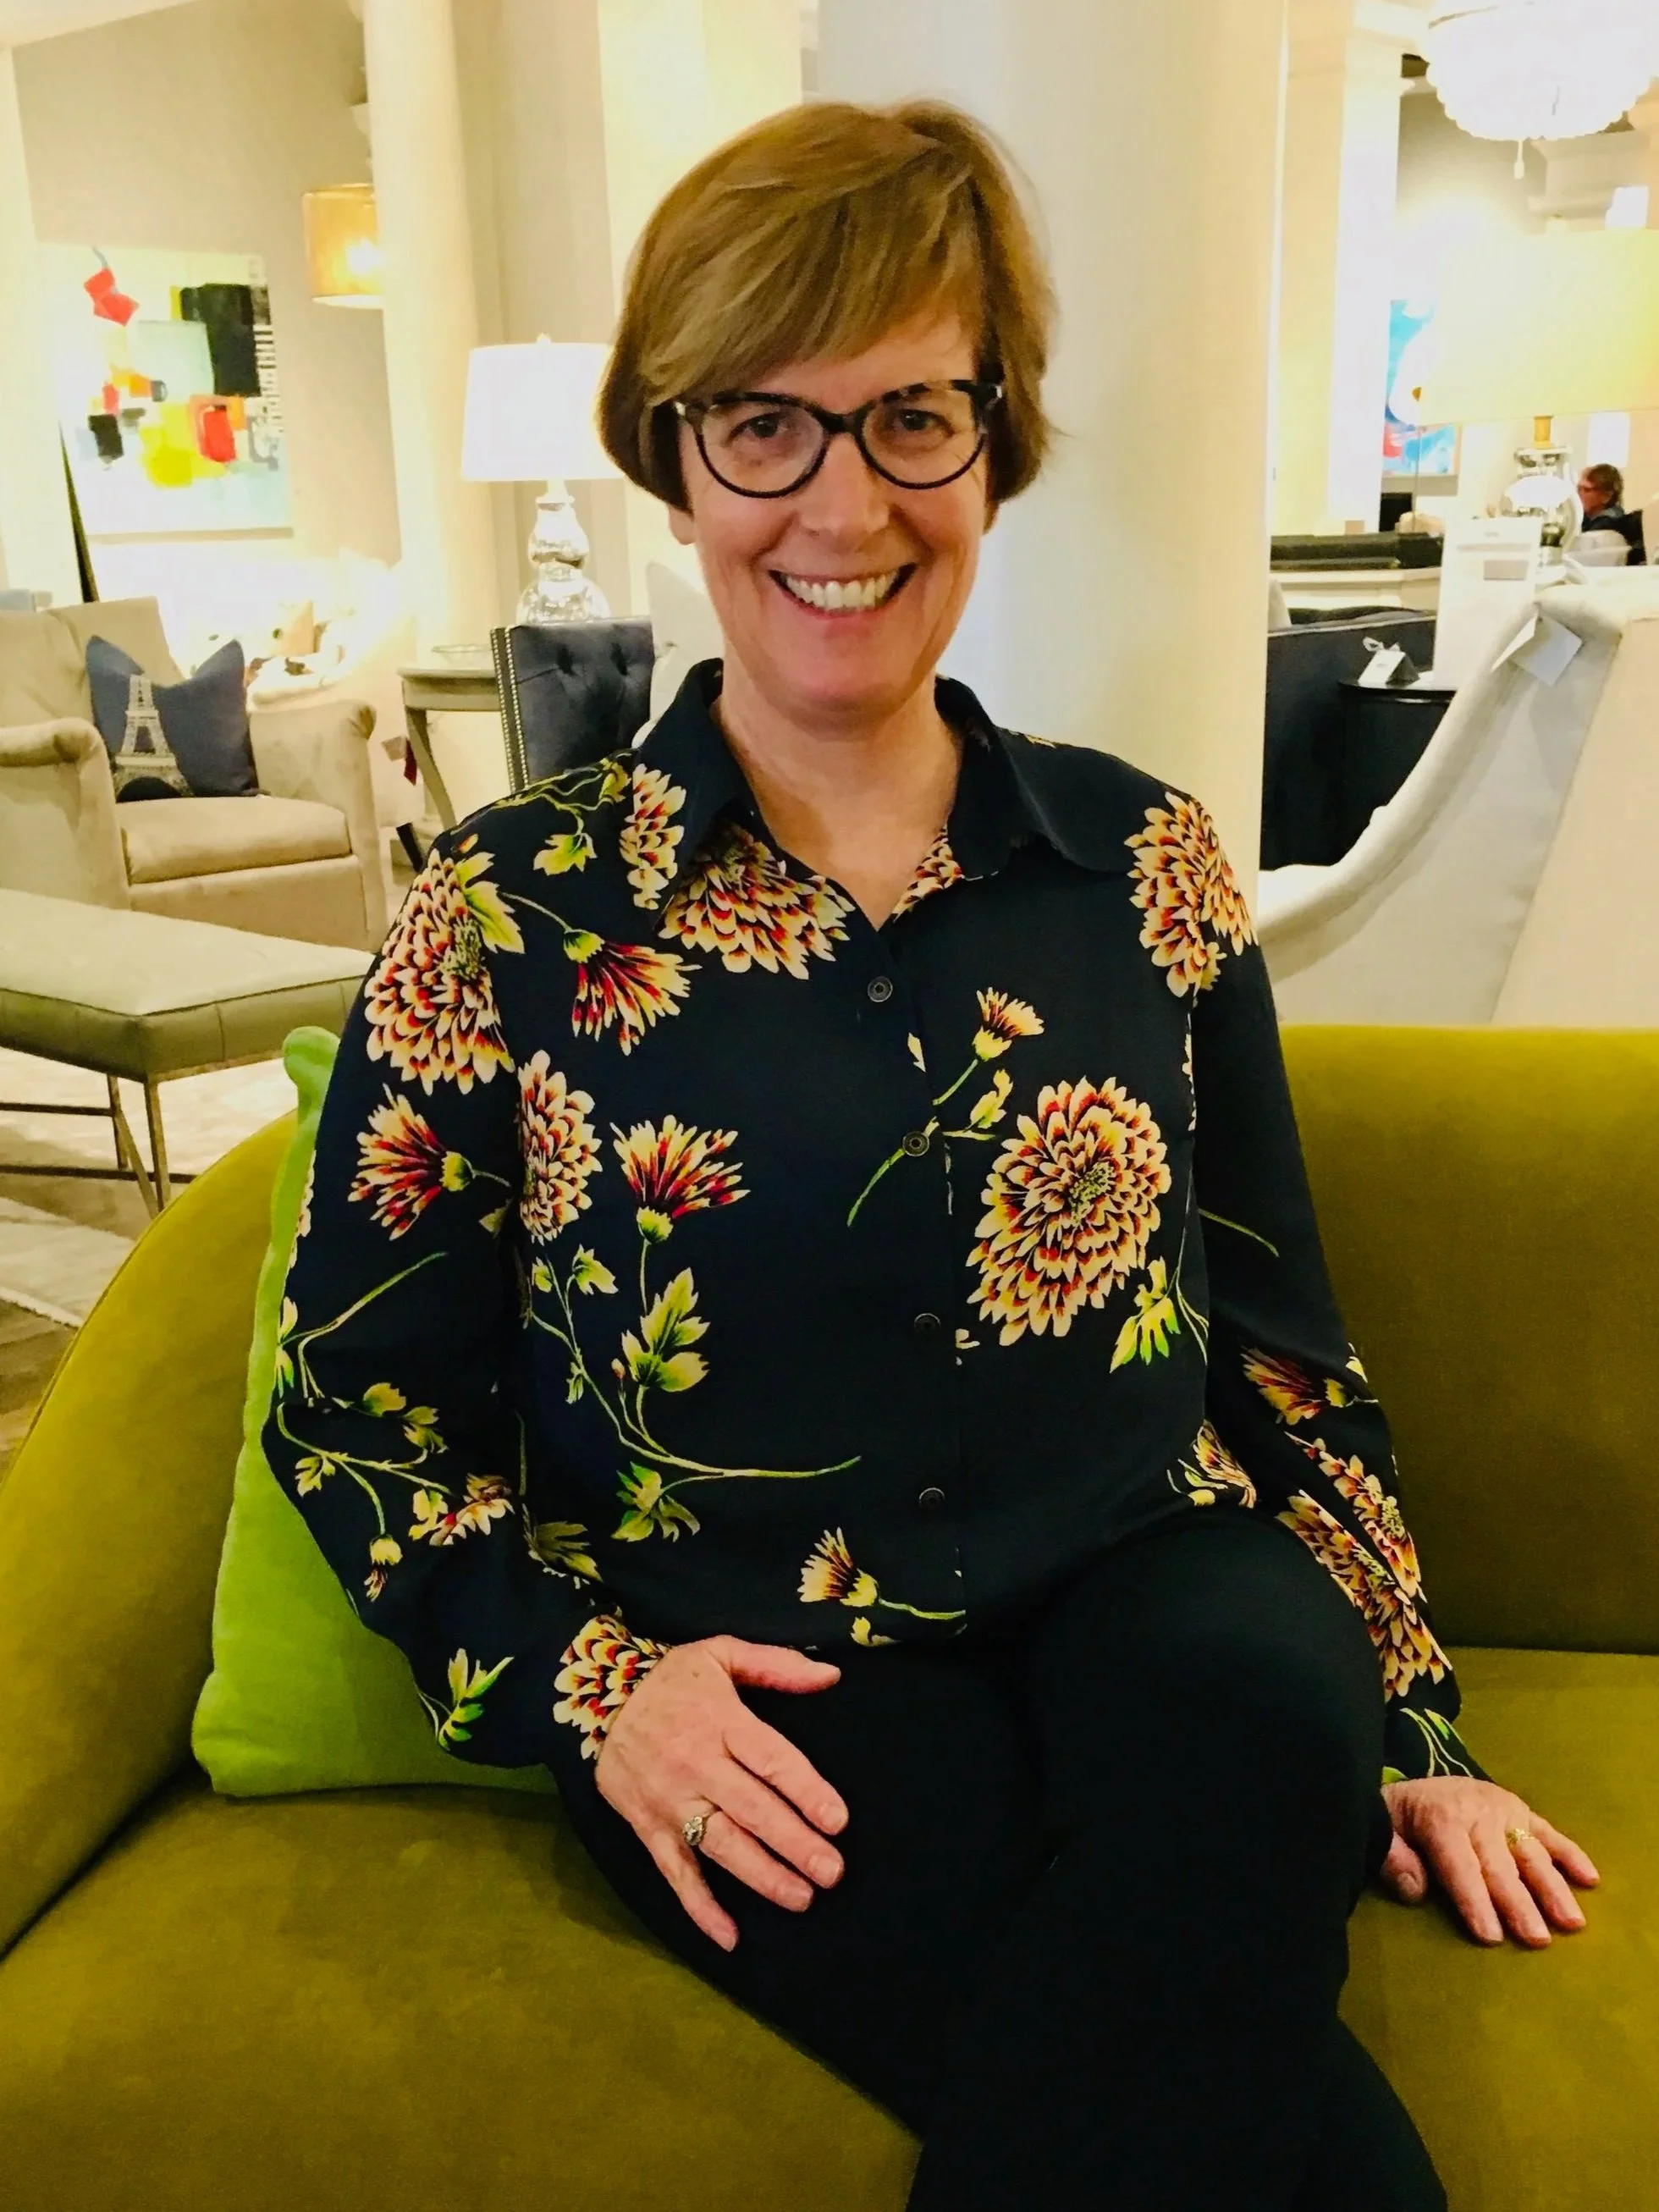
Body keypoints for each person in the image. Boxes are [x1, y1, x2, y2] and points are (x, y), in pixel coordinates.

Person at [268, 99, 1598, 2211]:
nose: (843, 502)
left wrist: (1412, 1728)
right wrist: (595, 1690)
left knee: (1270, 1722)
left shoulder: (1144, 861)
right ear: (671, 460)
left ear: (993, 445)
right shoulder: (502, 918)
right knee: (1292, 2144)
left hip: (1164, 1587)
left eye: (909, 418)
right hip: (762, 1674)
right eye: (762, 426)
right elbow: (351, 1409)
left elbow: (1277, 1346)